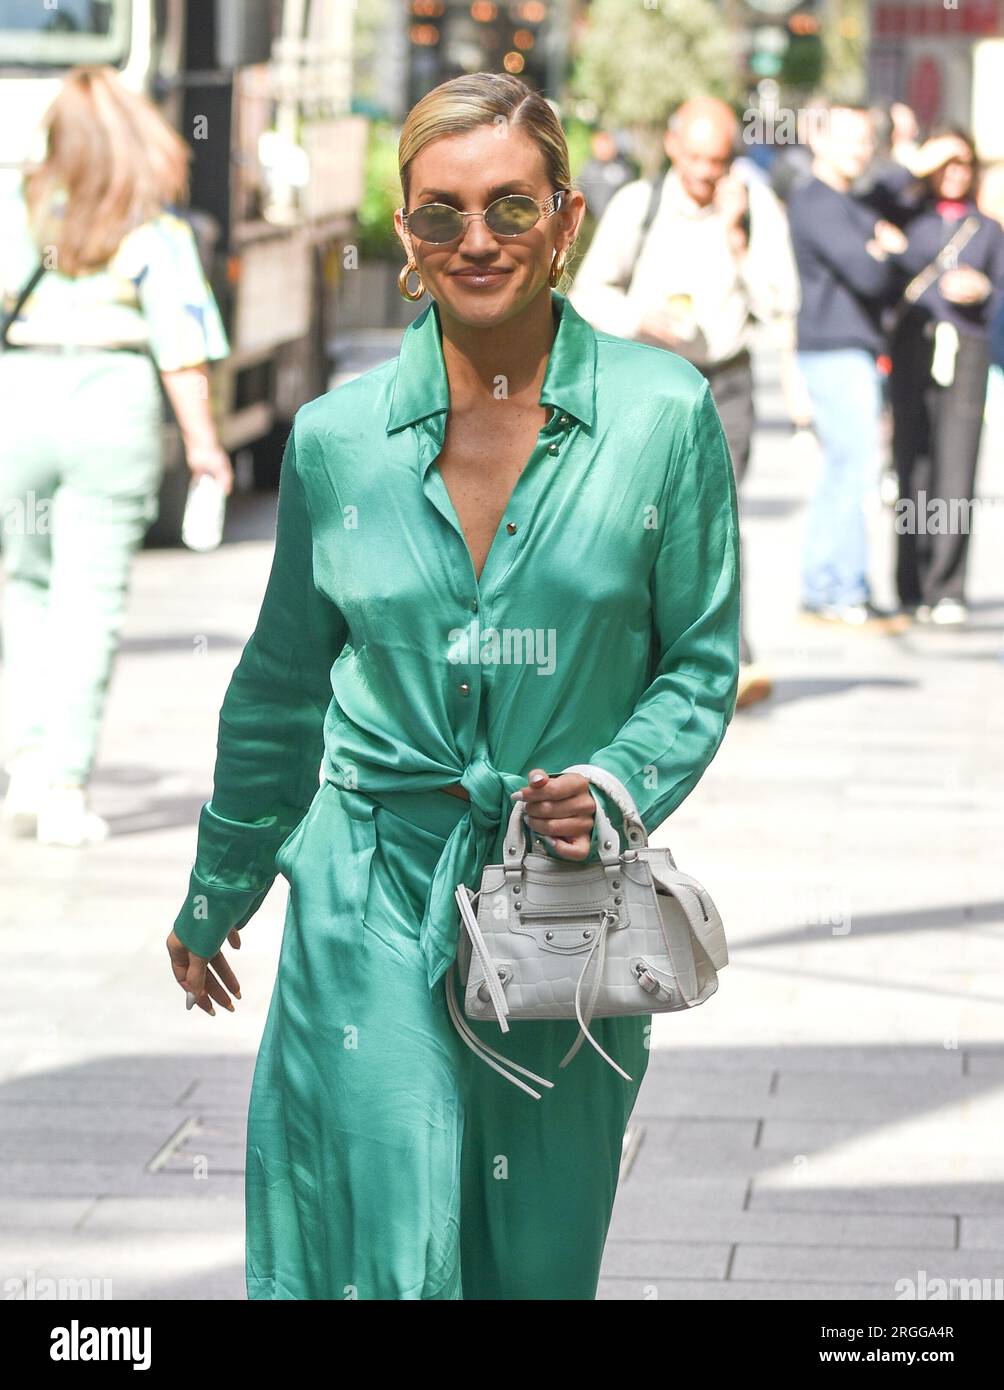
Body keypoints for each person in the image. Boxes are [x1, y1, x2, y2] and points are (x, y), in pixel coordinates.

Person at [166, 71, 741, 1301]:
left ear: (567, 220)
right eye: (440, 214)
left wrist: (613, 780)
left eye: (509, 208)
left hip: (562, 910)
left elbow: (697, 661)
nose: (475, 239)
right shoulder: (334, 439)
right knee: (387, 1243)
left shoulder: (660, 414)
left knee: (534, 1258)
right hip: (366, 886)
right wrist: (220, 885)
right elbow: (279, 687)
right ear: (405, 237)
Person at [0, 67, 232, 846]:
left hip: (20, 398)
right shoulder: (157, 234)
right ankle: (65, 784)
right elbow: (182, 352)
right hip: (113, 401)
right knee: (90, 602)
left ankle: (27, 762)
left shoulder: (19, 212)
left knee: (21, 587)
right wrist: (205, 447)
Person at [569, 95, 798, 710]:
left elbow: (780, 302)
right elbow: (589, 292)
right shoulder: (637, 205)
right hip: (648, 379)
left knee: (716, 521)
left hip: (725, 380)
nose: (705, 173)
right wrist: (639, 315)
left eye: (718, 160)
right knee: (642, 517)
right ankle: (641, 657)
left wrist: (736, 237)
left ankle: (728, 659)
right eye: (696, 158)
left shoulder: (754, 207)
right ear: (673, 146)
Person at [787, 100, 914, 633]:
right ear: (818, 139)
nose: (859, 149)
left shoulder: (851, 200)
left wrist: (907, 152)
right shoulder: (815, 200)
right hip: (834, 349)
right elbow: (866, 273)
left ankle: (837, 587)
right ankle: (835, 590)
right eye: (848, 137)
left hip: (851, 348)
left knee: (848, 467)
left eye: (866, 139)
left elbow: (901, 201)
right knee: (856, 466)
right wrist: (886, 253)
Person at [887, 130, 1004, 625]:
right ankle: (910, 584)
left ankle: (948, 585)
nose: (954, 173)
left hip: (967, 352)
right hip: (914, 347)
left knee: (956, 469)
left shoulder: (988, 231)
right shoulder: (907, 219)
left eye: (963, 163)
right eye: (945, 163)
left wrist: (982, 291)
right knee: (911, 464)